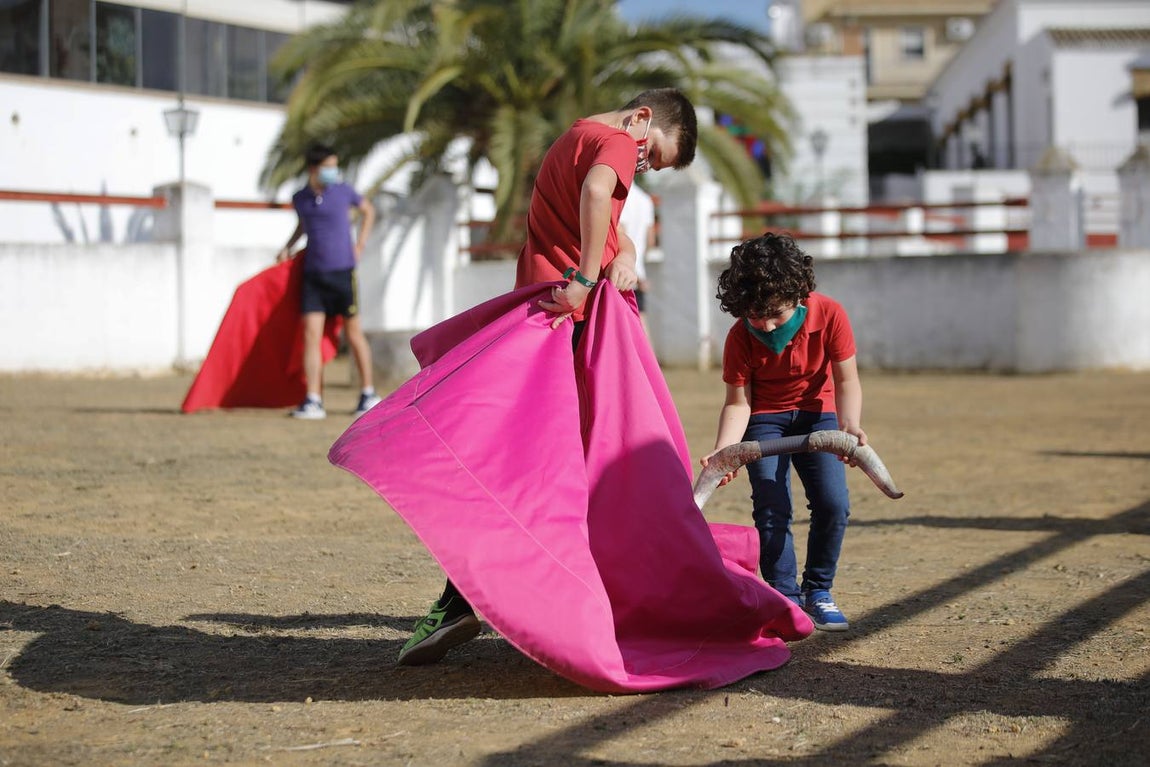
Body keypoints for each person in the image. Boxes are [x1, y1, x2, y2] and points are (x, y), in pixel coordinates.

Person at [397, 88, 699, 665]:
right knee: (579, 469)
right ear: (642, 119)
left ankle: (465, 600)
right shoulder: (618, 141)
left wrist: (625, 255)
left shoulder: (577, 136)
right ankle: (530, 604)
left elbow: (607, 220)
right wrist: (585, 279)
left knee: (518, 465)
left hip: (538, 318)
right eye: (652, 154)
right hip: (573, 323)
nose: (643, 165)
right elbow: (597, 193)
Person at [700, 232, 865, 632]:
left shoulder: (830, 314)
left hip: (818, 416)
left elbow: (846, 380)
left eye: (775, 313)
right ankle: (784, 597)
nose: (767, 324)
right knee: (771, 507)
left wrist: (849, 425)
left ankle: (818, 590)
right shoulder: (740, 336)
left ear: (797, 294)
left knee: (833, 504)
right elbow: (738, 403)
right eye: (755, 315)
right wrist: (725, 452)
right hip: (765, 421)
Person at [277, 143, 380, 420]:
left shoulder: (344, 191)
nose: (334, 171)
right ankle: (313, 399)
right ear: (314, 168)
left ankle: (368, 394)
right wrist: (288, 246)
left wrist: (360, 245)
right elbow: (303, 225)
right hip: (314, 275)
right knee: (311, 336)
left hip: (343, 273)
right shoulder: (300, 198)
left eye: (335, 166)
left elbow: (368, 211)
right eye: (328, 167)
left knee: (354, 333)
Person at [617, 181, 656, 335]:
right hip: (637, 273)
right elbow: (650, 240)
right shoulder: (645, 199)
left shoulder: (619, 195)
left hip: (620, 273)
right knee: (641, 323)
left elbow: (619, 235)